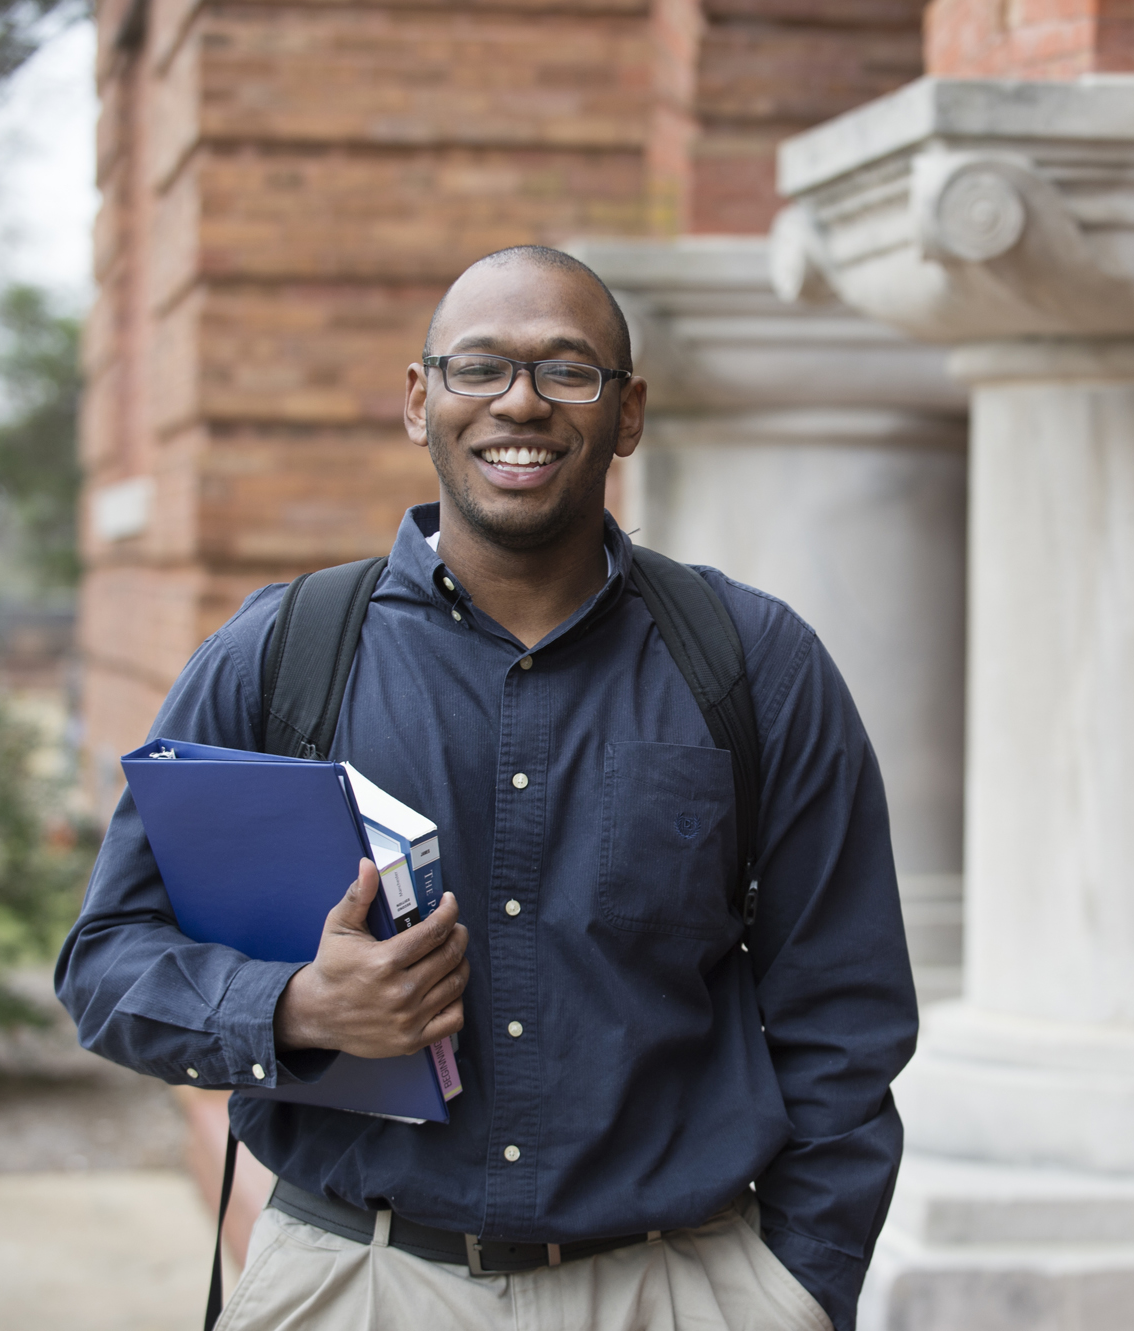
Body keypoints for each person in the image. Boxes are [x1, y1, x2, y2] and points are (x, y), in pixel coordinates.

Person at [57, 245, 919, 1331]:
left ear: (628, 411)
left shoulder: (753, 663)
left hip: (673, 1285)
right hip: (357, 1280)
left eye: (567, 370)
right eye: (479, 367)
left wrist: (797, 1288)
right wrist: (292, 1006)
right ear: (419, 401)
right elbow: (107, 961)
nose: (520, 400)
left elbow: (844, 1009)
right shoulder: (281, 656)